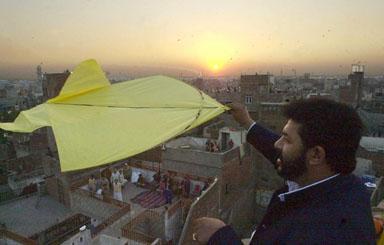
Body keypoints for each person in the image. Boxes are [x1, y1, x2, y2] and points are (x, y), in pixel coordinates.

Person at [194, 99, 375, 244]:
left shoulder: (321, 232)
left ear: (316, 155)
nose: (277, 144)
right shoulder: (347, 186)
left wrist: (219, 236)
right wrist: (247, 122)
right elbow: (289, 156)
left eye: (287, 140)